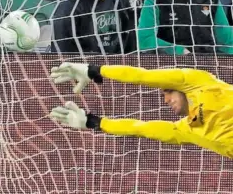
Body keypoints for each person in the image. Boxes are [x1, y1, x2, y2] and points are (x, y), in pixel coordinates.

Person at [50, 63, 233, 159]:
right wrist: (94, 122)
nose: (166, 100)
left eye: (168, 91)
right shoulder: (185, 130)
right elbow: (140, 128)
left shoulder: (198, 81)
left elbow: (142, 76)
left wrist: (96, 70)